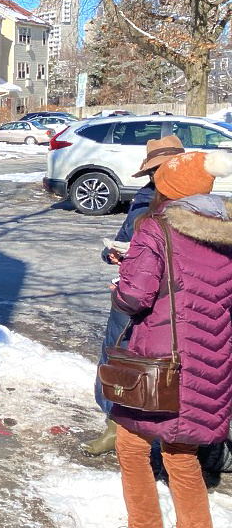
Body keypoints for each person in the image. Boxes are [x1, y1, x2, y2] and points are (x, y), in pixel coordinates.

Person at [108, 150, 232, 528]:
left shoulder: (156, 229)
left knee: (132, 446)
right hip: (211, 361)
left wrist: (122, 279)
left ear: (169, 187)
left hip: (160, 360)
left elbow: (134, 296)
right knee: (184, 455)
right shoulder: (224, 233)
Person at [83, 136, 185, 455]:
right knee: (118, 356)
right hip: (131, 291)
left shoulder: (196, 205)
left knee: (167, 366)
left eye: (163, 169)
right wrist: (114, 253)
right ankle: (114, 427)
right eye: (155, 170)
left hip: (172, 297)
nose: (159, 176)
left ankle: (164, 439)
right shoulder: (145, 198)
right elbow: (123, 239)